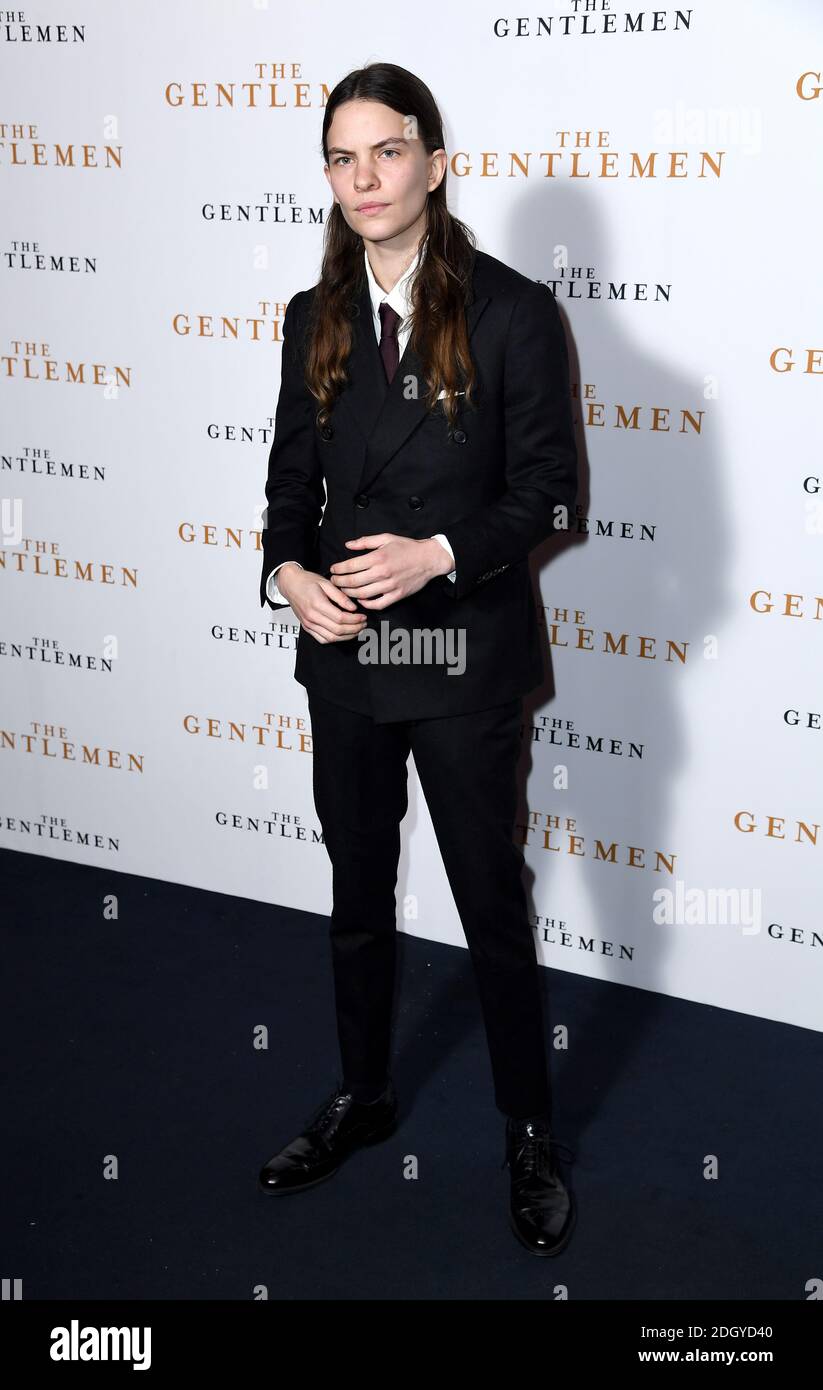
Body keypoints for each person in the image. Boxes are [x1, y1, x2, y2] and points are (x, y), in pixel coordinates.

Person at [256, 62, 578, 1256]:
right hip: (342, 654)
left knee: (491, 902)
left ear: (433, 163)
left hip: (459, 655)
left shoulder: (509, 311)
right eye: (342, 158)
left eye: (385, 151)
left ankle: (528, 1128)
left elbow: (547, 495)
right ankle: (364, 1094)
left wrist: (439, 551)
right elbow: (291, 488)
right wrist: (288, 575)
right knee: (353, 894)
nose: (363, 178)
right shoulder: (312, 315)